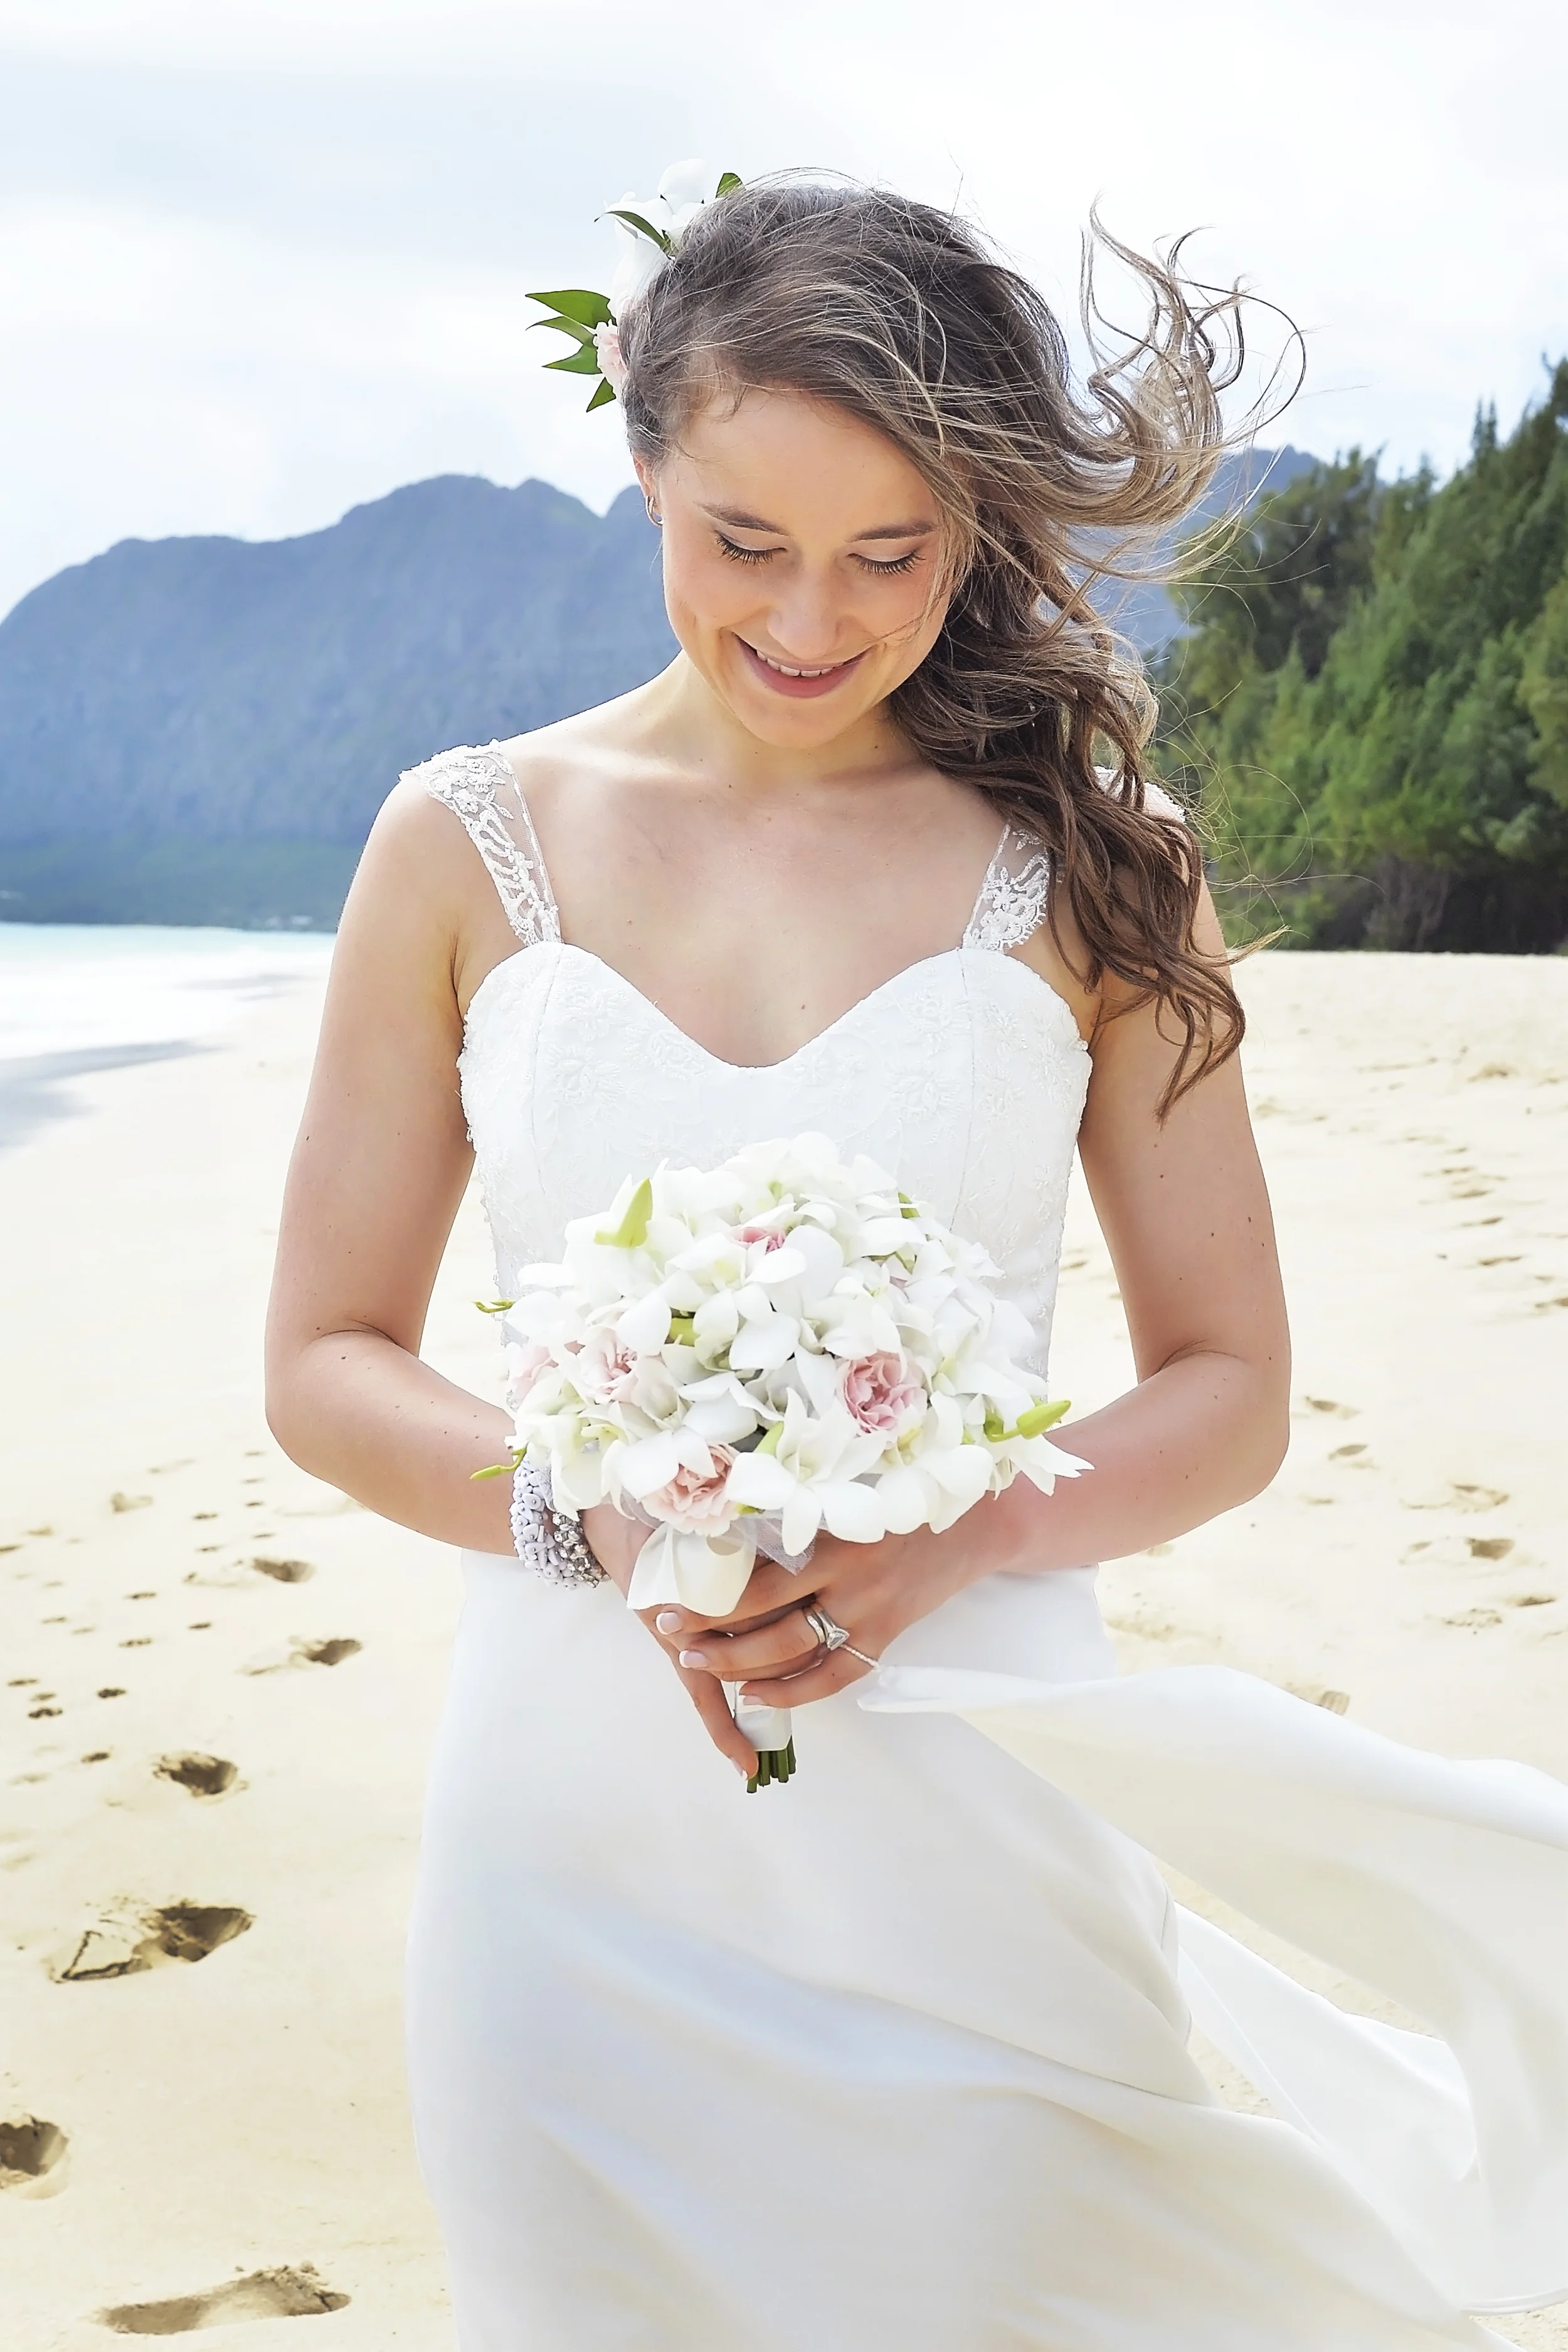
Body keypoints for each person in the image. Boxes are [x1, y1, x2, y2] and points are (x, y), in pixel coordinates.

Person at [265, 174, 1568, 2349]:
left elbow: (1227, 1380)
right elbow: (321, 1354)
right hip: (571, 1844)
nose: (808, 616)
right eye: (742, 541)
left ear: (976, 523)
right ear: (644, 469)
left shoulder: (1091, 866)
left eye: (891, 550)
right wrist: (577, 1509)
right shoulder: (462, 842)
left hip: (976, 1788)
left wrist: (957, 1532)